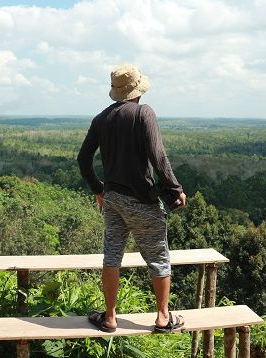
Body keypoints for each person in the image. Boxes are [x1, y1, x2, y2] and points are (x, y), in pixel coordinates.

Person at [77, 64, 187, 333]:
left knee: (112, 256)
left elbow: (83, 159)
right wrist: (175, 190)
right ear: (138, 89)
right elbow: (158, 158)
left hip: (113, 199)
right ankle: (163, 318)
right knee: (159, 258)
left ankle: (110, 318)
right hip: (141, 201)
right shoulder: (143, 113)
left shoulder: (101, 119)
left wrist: (98, 189)